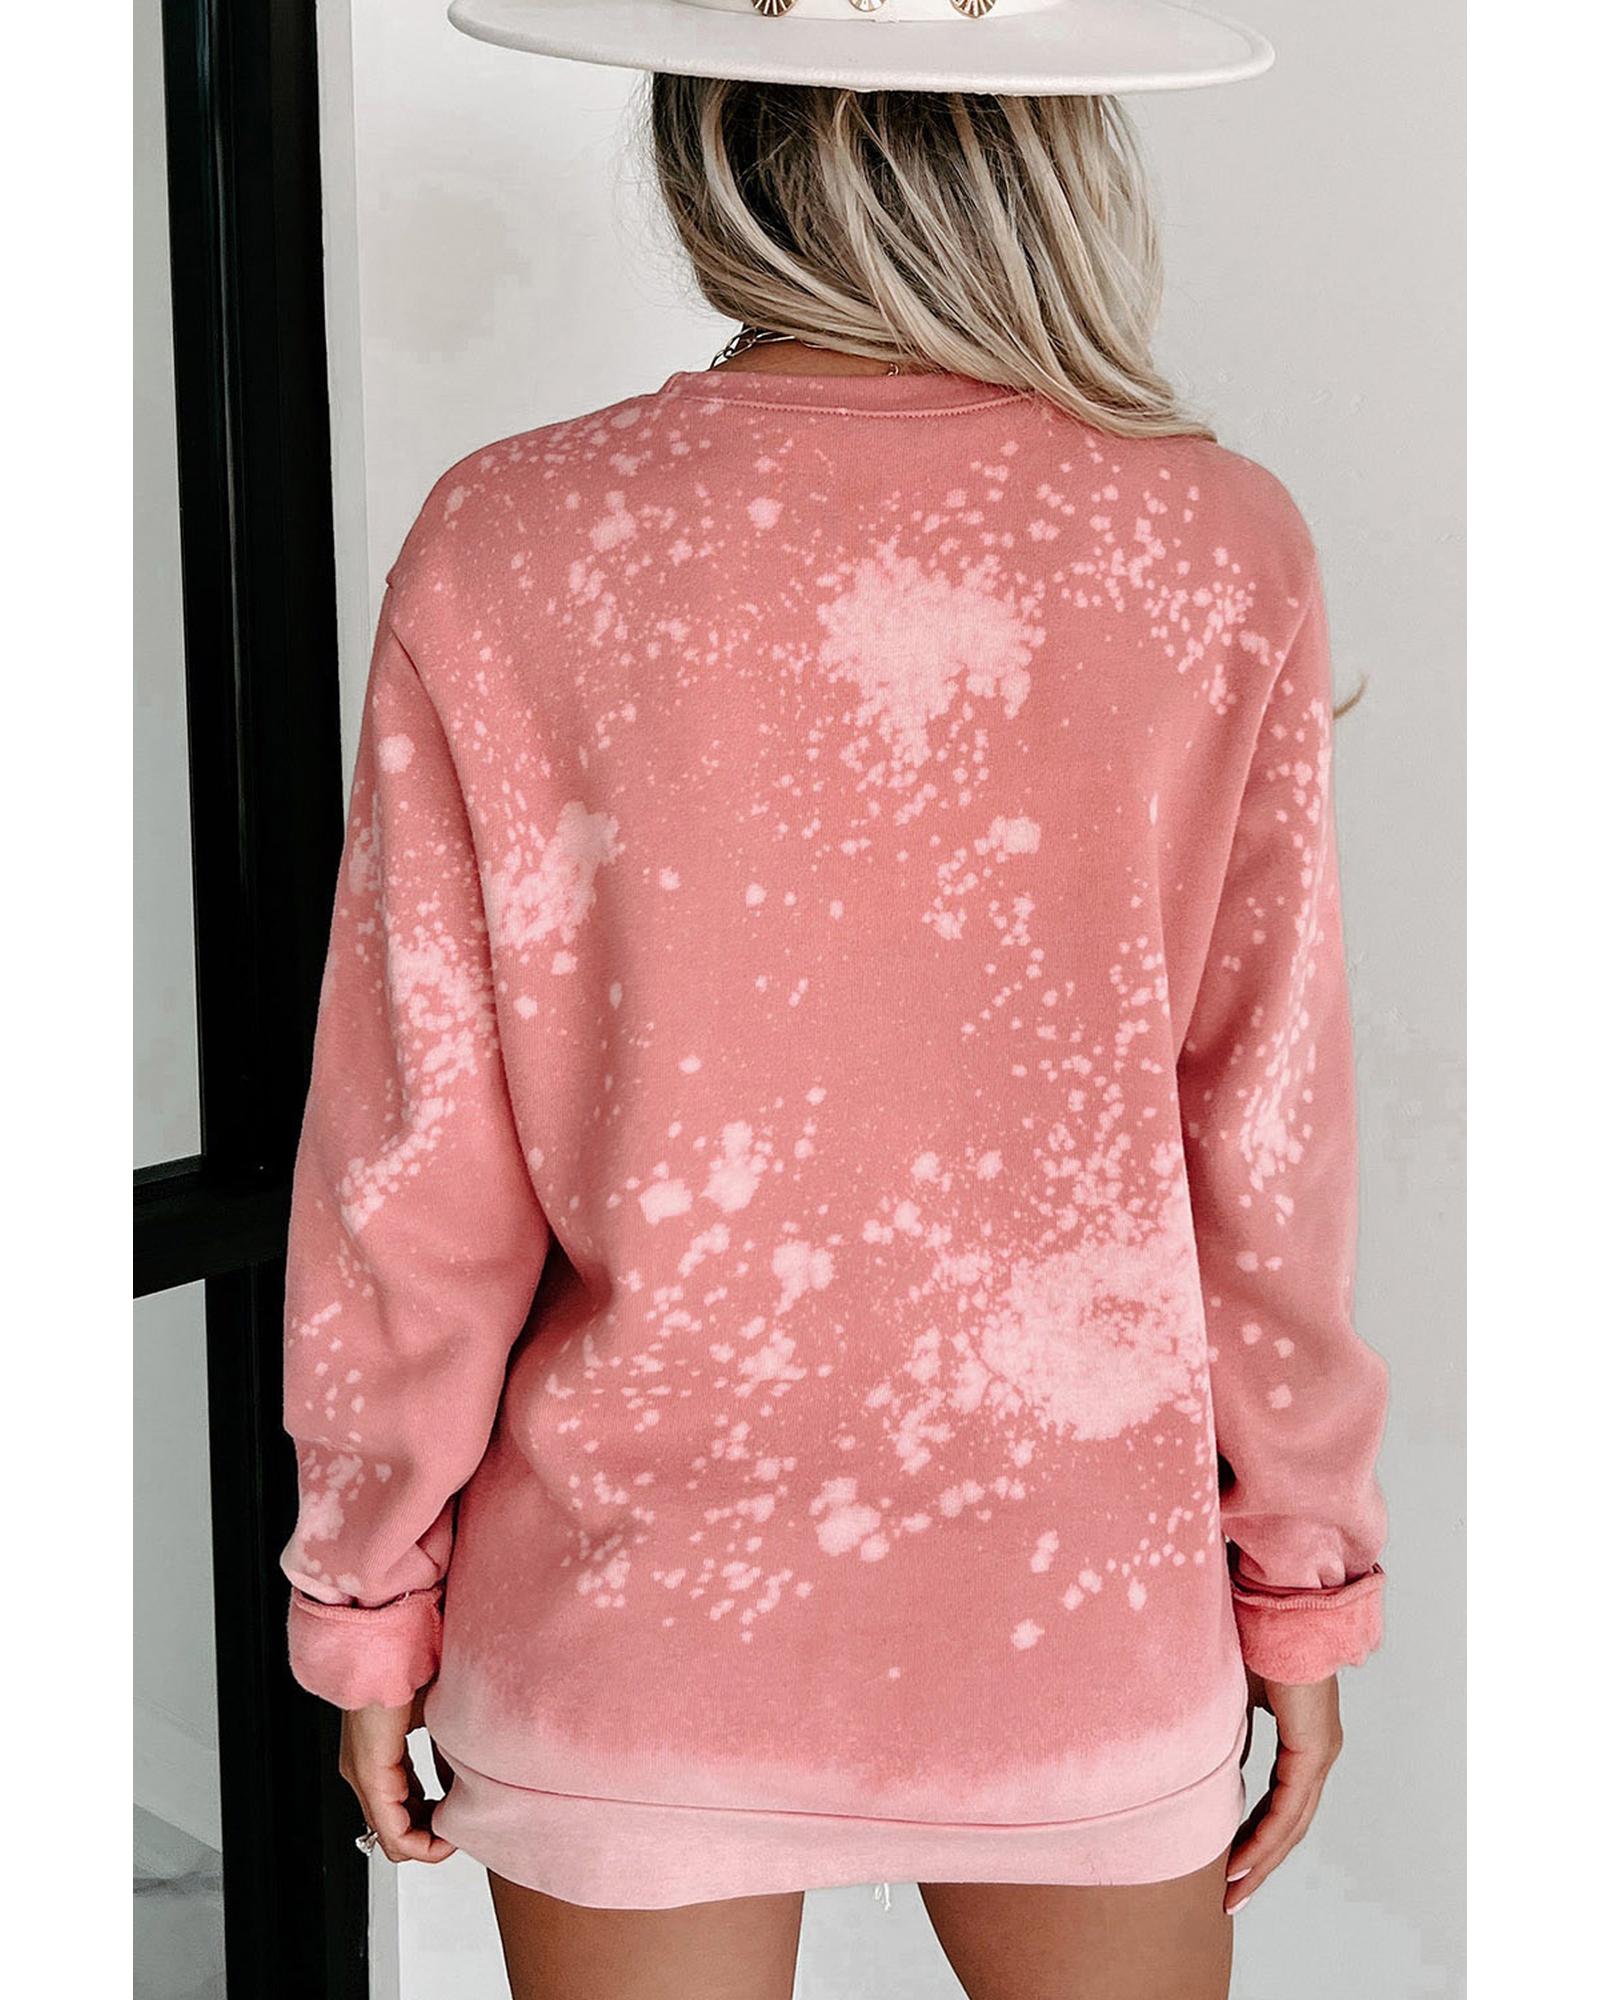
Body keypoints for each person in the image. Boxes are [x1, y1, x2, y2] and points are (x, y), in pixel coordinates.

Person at [279, 5, 1389, 1995]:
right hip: (1074, 1617)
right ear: (1053, 138)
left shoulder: (512, 533)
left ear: (707, 135)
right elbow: (1264, 1146)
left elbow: (417, 1161)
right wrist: (1297, 1577)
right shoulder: (1213, 540)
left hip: (634, 1623)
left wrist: (367, 1596)